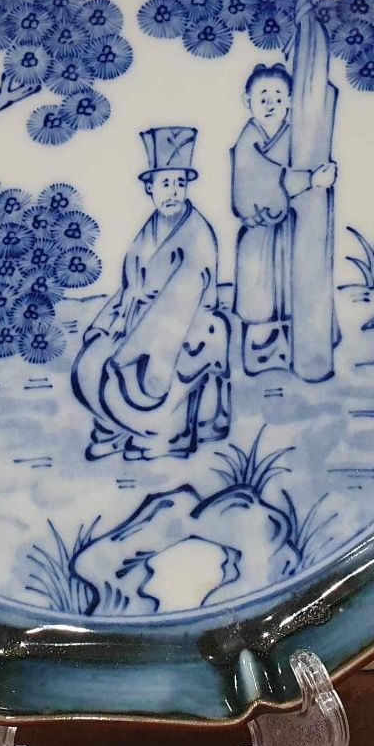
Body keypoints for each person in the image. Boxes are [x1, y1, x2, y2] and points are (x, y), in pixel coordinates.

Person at [71, 127, 231, 461]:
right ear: (150, 187)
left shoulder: (197, 233)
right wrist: (103, 324)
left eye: (180, 183)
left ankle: (165, 437)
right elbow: (129, 287)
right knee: (91, 362)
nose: (173, 192)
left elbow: (184, 295)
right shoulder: (150, 229)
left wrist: (138, 344)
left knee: (142, 368)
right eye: (165, 183)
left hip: (185, 325)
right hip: (140, 317)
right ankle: (113, 429)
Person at [231, 64, 336, 375]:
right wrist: (310, 180)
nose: (270, 104)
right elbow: (259, 179)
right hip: (258, 233)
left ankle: (290, 352)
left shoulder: (296, 137)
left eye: (278, 97)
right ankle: (259, 357)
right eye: (262, 97)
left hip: (291, 230)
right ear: (247, 100)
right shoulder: (246, 143)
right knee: (259, 298)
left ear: (290, 100)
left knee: (290, 291)